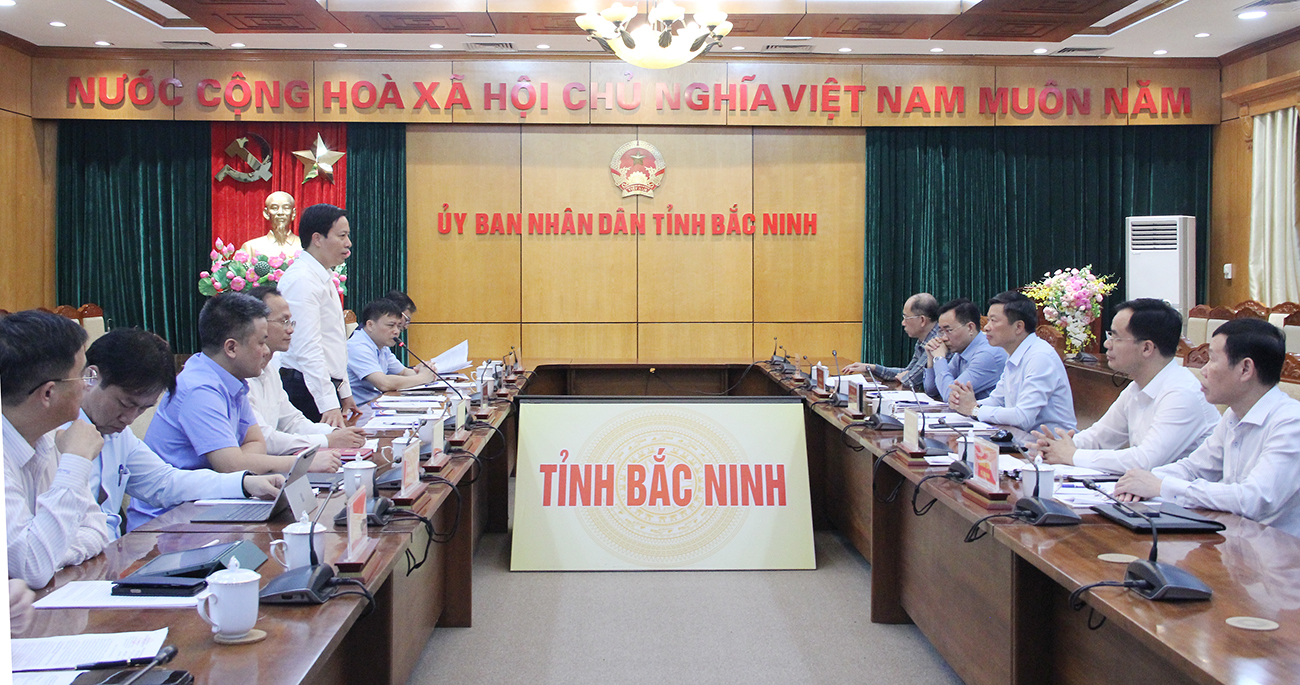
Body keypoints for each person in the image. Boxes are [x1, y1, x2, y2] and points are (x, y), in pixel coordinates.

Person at [137, 294, 337, 524]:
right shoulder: (199, 389)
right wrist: (302, 463)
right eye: (261, 343)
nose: (266, 351)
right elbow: (232, 467)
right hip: (168, 518)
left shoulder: (232, 380)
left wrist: (241, 459)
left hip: (212, 502)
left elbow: (256, 443)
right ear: (231, 348)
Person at [77, 328, 285, 534]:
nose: (130, 418)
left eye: (142, 409)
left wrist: (244, 483)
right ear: (90, 378)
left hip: (113, 548)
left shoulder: (119, 435)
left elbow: (165, 482)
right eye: (125, 404)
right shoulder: (61, 435)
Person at [1114, 318, 1300, 537]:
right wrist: (1139, 480)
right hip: (1234, 538)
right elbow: (1194, 468)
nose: (1203, 370)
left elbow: (1254, 499)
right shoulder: (1233, 414)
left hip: (1276, 550)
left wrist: (1162, 486)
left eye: (1212, 359)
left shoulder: (1291, 422)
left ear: (1245, 369)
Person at [1034, 299, 1219, 474]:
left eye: (1116, 337)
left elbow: (1144, 461)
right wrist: (1056, 446)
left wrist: (1072, 455)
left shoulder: (1182, 393)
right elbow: (1100, 437)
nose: (1107, 344)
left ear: (1146, 348)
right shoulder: (1136, 387)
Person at [1, 310, 110, 588]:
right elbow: (33, 566)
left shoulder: (49, 435)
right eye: (82, 376)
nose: (87, 386)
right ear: (48, 393)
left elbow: (98, 530)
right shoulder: (70, 446)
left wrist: (53, 552)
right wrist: (76, 460)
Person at [247, 285, 365, 454]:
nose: (290, 329)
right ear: (257, 324)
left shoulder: (270, 370)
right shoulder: (242, 375)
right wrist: (327, 440)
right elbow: (263, 439)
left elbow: (292, 422)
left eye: (291, 322)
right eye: (283, 321)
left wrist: (336, 433)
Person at [949, 291, 1076, 432]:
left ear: (1019, 327)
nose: (986, 327)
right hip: (1022, 438)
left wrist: (975, 410)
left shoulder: (1040, 357)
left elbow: (1023, 417)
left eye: (993, 320)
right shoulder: (1014, 353)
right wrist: (964, 404)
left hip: (1052, 442)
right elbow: (997, 400)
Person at [278, 203, 358, 426]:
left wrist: (344, 393)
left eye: (348, 235)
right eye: (342, 236)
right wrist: (328, 404)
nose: (348, 243)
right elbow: (307, 347)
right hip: (305, 389)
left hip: (322, 386)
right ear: (317, 239)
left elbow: (333, 342)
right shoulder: (302, 280)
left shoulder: (323, 275)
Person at [841, 293, 940, 390]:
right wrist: (872, 367)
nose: (903, 323)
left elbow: (911, 380)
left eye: (906, 318)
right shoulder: (922, 340)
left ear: (922, 320)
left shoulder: (936, 342)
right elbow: (908, 372)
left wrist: (906, 377)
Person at [347, 299, 437, 405]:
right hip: (359, 410)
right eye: (390, 325)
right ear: (370, 325)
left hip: (375, 404)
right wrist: (422, 378)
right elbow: (383, 383)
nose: (396, 331)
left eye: (398, 326)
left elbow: (403, 372)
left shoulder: (381, 346)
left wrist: (424, 371)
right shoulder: (357, 347)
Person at [922, 298, 1006, 402]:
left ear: (970, 328)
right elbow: (932, 391)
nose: (943, 338)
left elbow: (950, 395)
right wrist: (931, 359)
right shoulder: (962, 349)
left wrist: (939, 358)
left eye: (949, 330)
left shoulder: (987, 354)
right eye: (941, 331)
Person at [240, 191, 299, 259]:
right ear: (266, 213)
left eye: (286, 208)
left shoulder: (304, 246)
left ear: (293, 213)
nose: (280, 213)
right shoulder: (251, 247)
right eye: (274, 208)